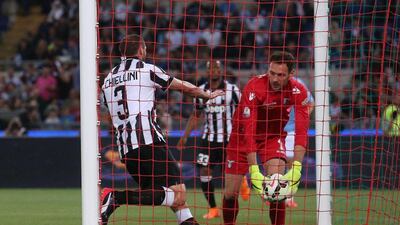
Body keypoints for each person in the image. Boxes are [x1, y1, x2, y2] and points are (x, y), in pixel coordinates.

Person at [101, 34, 224, 225]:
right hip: (148, 141)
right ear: (141, 49)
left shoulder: (108, 80)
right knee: (179, 193)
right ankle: (115, 198)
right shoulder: (146, 69)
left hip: (126, 148)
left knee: (170, 197)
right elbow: (184, 87)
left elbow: (109, 112)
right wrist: (207, 94)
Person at [222, 51, 310, 225]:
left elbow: (301, 131)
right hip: (241, 138)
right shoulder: (254, 87)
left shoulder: (298, 90)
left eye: (281, 75)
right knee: (230, 193)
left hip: (272, 137)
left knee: (278, 188)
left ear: (291, 74)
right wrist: (254, 169)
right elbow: (249, 130)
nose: (275, 79)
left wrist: (297, 167)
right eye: (272, 73)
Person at [176, 60, 250, 219]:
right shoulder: (200, 91)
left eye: (217, 68)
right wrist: (185, 136)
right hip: (208, 140)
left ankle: (243, 180)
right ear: (207, 72)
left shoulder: (233, 90)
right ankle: (213, 208)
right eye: (211, 68)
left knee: (229, 174)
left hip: (230, 140)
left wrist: (245, 133)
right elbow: (196, 115)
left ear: (221, 70)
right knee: (204, 171)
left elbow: (244, 111)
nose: (214, 71)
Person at [283, 77, 314, 208]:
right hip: (273, 130)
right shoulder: (272, 80)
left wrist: (302, 118)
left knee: (291, 164)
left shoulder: (299, 84)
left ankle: (289, 198)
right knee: (274, 164)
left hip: (291, 131)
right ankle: (273, 194)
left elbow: (311, 103)